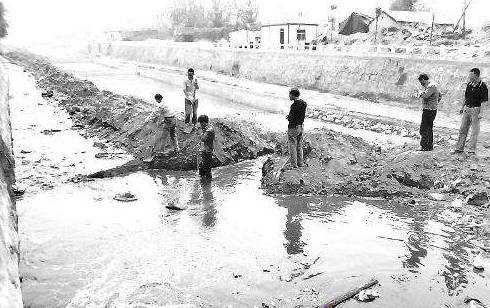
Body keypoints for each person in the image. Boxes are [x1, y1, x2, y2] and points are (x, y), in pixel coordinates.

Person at [453, 68, 488, 154]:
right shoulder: (469, 84)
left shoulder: (483, 86)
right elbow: (465, 97)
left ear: (476, 75)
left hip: (476, 109)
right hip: (467, 108)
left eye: (471, 75)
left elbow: (484, 101)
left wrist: (481, 112)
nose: (469, 76)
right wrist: (462, 107)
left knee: (474, 131)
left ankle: (471, 150)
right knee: (463, 129)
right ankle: (459, 148)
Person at [418, 74, 441, 151]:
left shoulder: (431, 86)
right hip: (431, 109)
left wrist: (420, 93)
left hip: (429, 110)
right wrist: (435, 103)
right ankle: (428, 146)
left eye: (421, 82)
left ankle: (425, 146)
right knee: (428, 128)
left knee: (424, 128)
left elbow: (425, 96)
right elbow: (440, 96)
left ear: (423, 79)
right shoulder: (433, 86)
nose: (421, 84)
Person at [286, 87, 307, 168]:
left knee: (292, 145)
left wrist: (288, 117)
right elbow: (300, 115)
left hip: (293, 127)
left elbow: (291, 118)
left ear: (293, 95)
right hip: (301, 126)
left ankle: (294, 164)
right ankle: (300, 163)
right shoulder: (304, 103)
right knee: (299, 146)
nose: (289, 96)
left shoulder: (294, 105)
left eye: (290, 95)